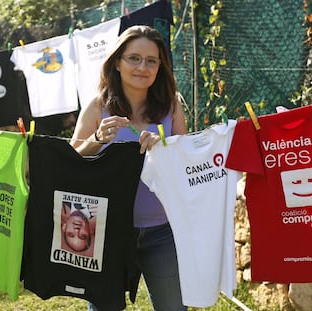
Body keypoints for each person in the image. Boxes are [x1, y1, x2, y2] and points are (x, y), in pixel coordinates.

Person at [71, 25, 188, 310]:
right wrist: (98, 139)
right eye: (134, 58)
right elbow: (71, 159)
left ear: (160, 66)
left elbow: (186, 160)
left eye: (151, 60)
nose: (142, 67)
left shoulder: (170, 106)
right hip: (106, 230)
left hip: (163, 229)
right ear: (117, 62)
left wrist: (164, 146)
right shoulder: (99, 107)